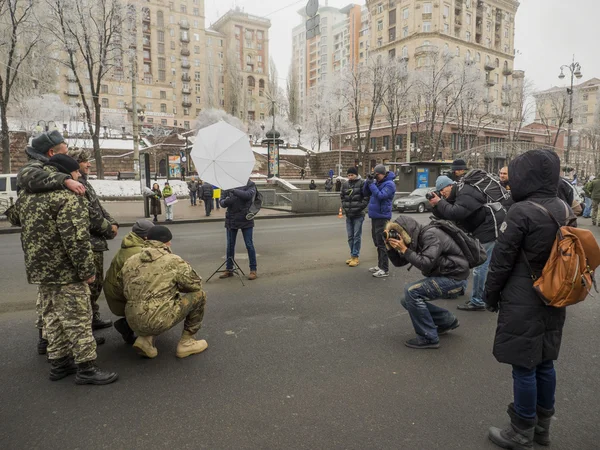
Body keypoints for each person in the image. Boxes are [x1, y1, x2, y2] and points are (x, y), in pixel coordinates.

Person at [485, 149, 575, 449]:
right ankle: (542, 428)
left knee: (524, 364)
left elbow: (501, 261)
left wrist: (490, 296)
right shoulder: (564, 207)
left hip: (523, 295)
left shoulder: (521, 211)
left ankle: (521, 429)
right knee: (546, 361)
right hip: (555, 292)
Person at [17, 154, 118, 384]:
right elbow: (76, 239)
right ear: (65, 173)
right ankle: (86, 369)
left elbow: (14, 216)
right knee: (79, 318)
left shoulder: (28, 196)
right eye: (76, 172)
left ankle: (60, 364)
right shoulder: (68, 197)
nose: (79, 175)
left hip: (40, 270)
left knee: (53, 317)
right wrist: (87, 271)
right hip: (66, 270)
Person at [121, 226, 208, 359]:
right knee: (199, 295)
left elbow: (121, 285)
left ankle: (145, 340)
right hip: (157, 319)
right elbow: (196, 284)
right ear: (166, 242)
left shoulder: (130, 260)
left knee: (150, 298)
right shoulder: (173, 260)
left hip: (131, 319)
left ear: (147, 240)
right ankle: (186, 343)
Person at [386, 216, 469, 349]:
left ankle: (428, 337)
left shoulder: (430, 235)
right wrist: (390, 248)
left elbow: (426, 263)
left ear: (406, 232)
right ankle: (447, 321)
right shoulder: (416, 239)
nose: (398, 238)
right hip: (446, 275)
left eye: (398, 234)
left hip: (454, 278)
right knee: (406, 299)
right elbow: (399, 262)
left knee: (411, 292)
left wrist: (404, 249)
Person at [429, 175, 505, 311]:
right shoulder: (456, 193)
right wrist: (436, 205)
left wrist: (440, 202)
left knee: (480, 265)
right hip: (479, 227)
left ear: (449, 186)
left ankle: (478, 300)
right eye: (439, 192)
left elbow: (455, 213)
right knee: (468, 259)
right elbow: (444, 213)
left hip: (488, 228)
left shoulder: (465, 192)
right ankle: (461, 289)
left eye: (442, 190)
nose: (441, 193)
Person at [68, 149, 118, 331]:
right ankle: (86, 324)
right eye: (84, 161)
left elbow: (99, 207)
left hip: (96, 243)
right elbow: (90, 215)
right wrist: (109, 229)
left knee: (95, 285)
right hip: (89, 243)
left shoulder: (85, 183)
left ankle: (92, 316)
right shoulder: (74, 185)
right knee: (91, 286)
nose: (88, 164)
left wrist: (113, 222)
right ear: (74, 164)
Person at [103, 220, 154, 344]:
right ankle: (129, 324)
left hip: (116, 291)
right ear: (146, 237)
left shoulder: (132, 244)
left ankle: (131, 321)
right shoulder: (138, 252)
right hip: (120, 297)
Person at [219, 179, 258, 280]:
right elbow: (222, 202)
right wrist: (227, 201)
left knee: (249, 244)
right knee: (230, 245)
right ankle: (229, 269)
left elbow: (248, 195)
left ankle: (253, 270)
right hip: (231, 218)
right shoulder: (226, 183)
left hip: (246, 218)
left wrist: (234, 190)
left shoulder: (250, 183)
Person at [363, 164, 396, 278]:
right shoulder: (377, 183)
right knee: (377, 242)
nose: (376, 177)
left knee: (382, 243)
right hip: (375, 216)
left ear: (383, 174)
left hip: (382, 216)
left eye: (377, 175)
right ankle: (379, 265)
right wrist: (367, 182)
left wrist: (372, 184)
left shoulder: (390, 184)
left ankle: (385, 269)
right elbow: (365, 193)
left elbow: (381, 196)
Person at [340, 167, 369, 267]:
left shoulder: (362, 183)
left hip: (358, 215)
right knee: (350, 237)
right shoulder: (345, 184)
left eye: (352, 175)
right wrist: (345, 207)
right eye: (348, 175)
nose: (350, 177)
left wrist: (359, 208)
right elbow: (342, 197)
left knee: (356, 236)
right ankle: (352, 255)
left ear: (356, 175)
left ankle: (355, 256)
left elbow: (366, 198)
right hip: (349, 215)